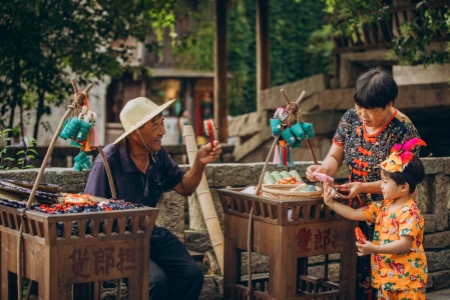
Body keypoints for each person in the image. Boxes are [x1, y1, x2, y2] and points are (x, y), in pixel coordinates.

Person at [85, 97, 222, 300]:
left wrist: (199, 164)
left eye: (162, 124)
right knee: (155, 282)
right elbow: (88, 212)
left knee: (192, 274)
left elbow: (184, 188)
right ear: (135, 132)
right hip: (116, 241)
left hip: (149, 233)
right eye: (155, 126)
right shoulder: (108, 160)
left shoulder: (157, 155)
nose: (162, 132)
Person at [305, 67, 421, 299]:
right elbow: (334, 156)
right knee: (357, 268)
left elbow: (403, 181)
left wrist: (363, 187)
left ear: (389, 104)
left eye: (371, 110)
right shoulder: (350, 118)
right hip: (356, 206)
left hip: (391, 210)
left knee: (391, 271)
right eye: (359, 108)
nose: (363, 115)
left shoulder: (403, 130)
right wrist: (323, 170)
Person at [323, 139, 428, 300]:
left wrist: (375, 248)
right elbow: (353, 213)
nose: (381, 186)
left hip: (408, 280)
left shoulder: (410, 212)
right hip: (386, 276)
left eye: (385, 182)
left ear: (403, 187)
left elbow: (404, 244)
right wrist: (330, 203)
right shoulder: (382, 207)